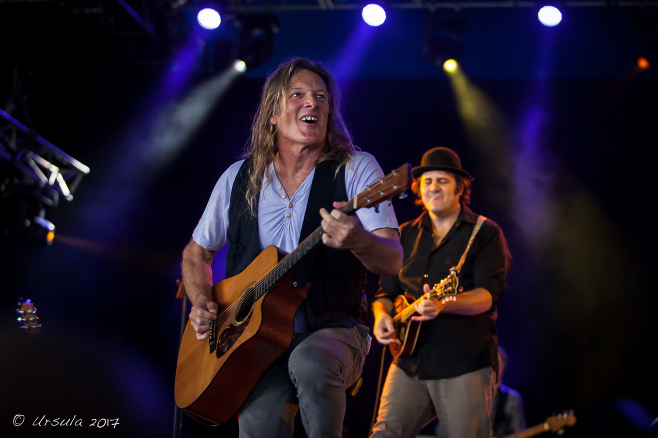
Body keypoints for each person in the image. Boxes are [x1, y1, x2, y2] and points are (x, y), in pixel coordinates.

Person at [181, 57, 403, 438]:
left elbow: (393, 261)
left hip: (333, 325)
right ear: (272, 113)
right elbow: (195, 253)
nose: (312, 103)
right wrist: (201, 302)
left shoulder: (356, 168)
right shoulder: (237, 178)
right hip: (254, 340)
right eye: (297, 94)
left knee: (310, 362)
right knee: (259, 426)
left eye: (320, 96)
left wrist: (359, 241)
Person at [370, 146, 512, 438]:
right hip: (409, 362)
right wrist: (381, 316)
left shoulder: (485, 233)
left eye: (442, 181)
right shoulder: (404, 234)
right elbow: (384, 294)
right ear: (419, 190)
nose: (433, 187)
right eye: (427, 181)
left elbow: (487, 295)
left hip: (463, 362)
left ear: (460, 188)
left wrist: (445, 304)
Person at [491, 346, 527, 437]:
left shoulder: (513, 399)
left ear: (503, 366)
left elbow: (519, 431)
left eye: (497, 362)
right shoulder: (477, 396)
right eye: (491, 362)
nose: (494, 366)